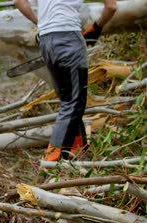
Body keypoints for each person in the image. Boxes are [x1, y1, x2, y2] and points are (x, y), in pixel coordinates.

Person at [14, 0, 117, 161]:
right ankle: (50, 162)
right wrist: (96, 28)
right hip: (68, 38)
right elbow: (111, 6)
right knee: (74, 103)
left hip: (46, 40)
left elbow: (19, 1)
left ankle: (78, 152)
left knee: (68, 100)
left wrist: (40, 22)